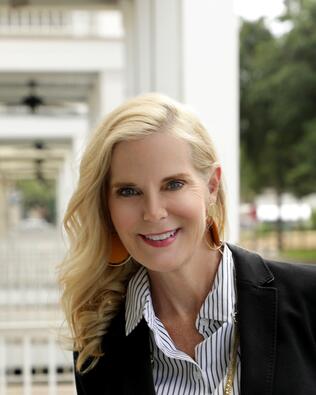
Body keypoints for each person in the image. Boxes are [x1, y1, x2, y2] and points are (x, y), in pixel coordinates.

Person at [59, 93, 316, 395]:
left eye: (173, 184)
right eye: (129, 191)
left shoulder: (308, 300)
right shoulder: (97, 347)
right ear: (107, 206)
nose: (154, 212)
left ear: (211, 186)